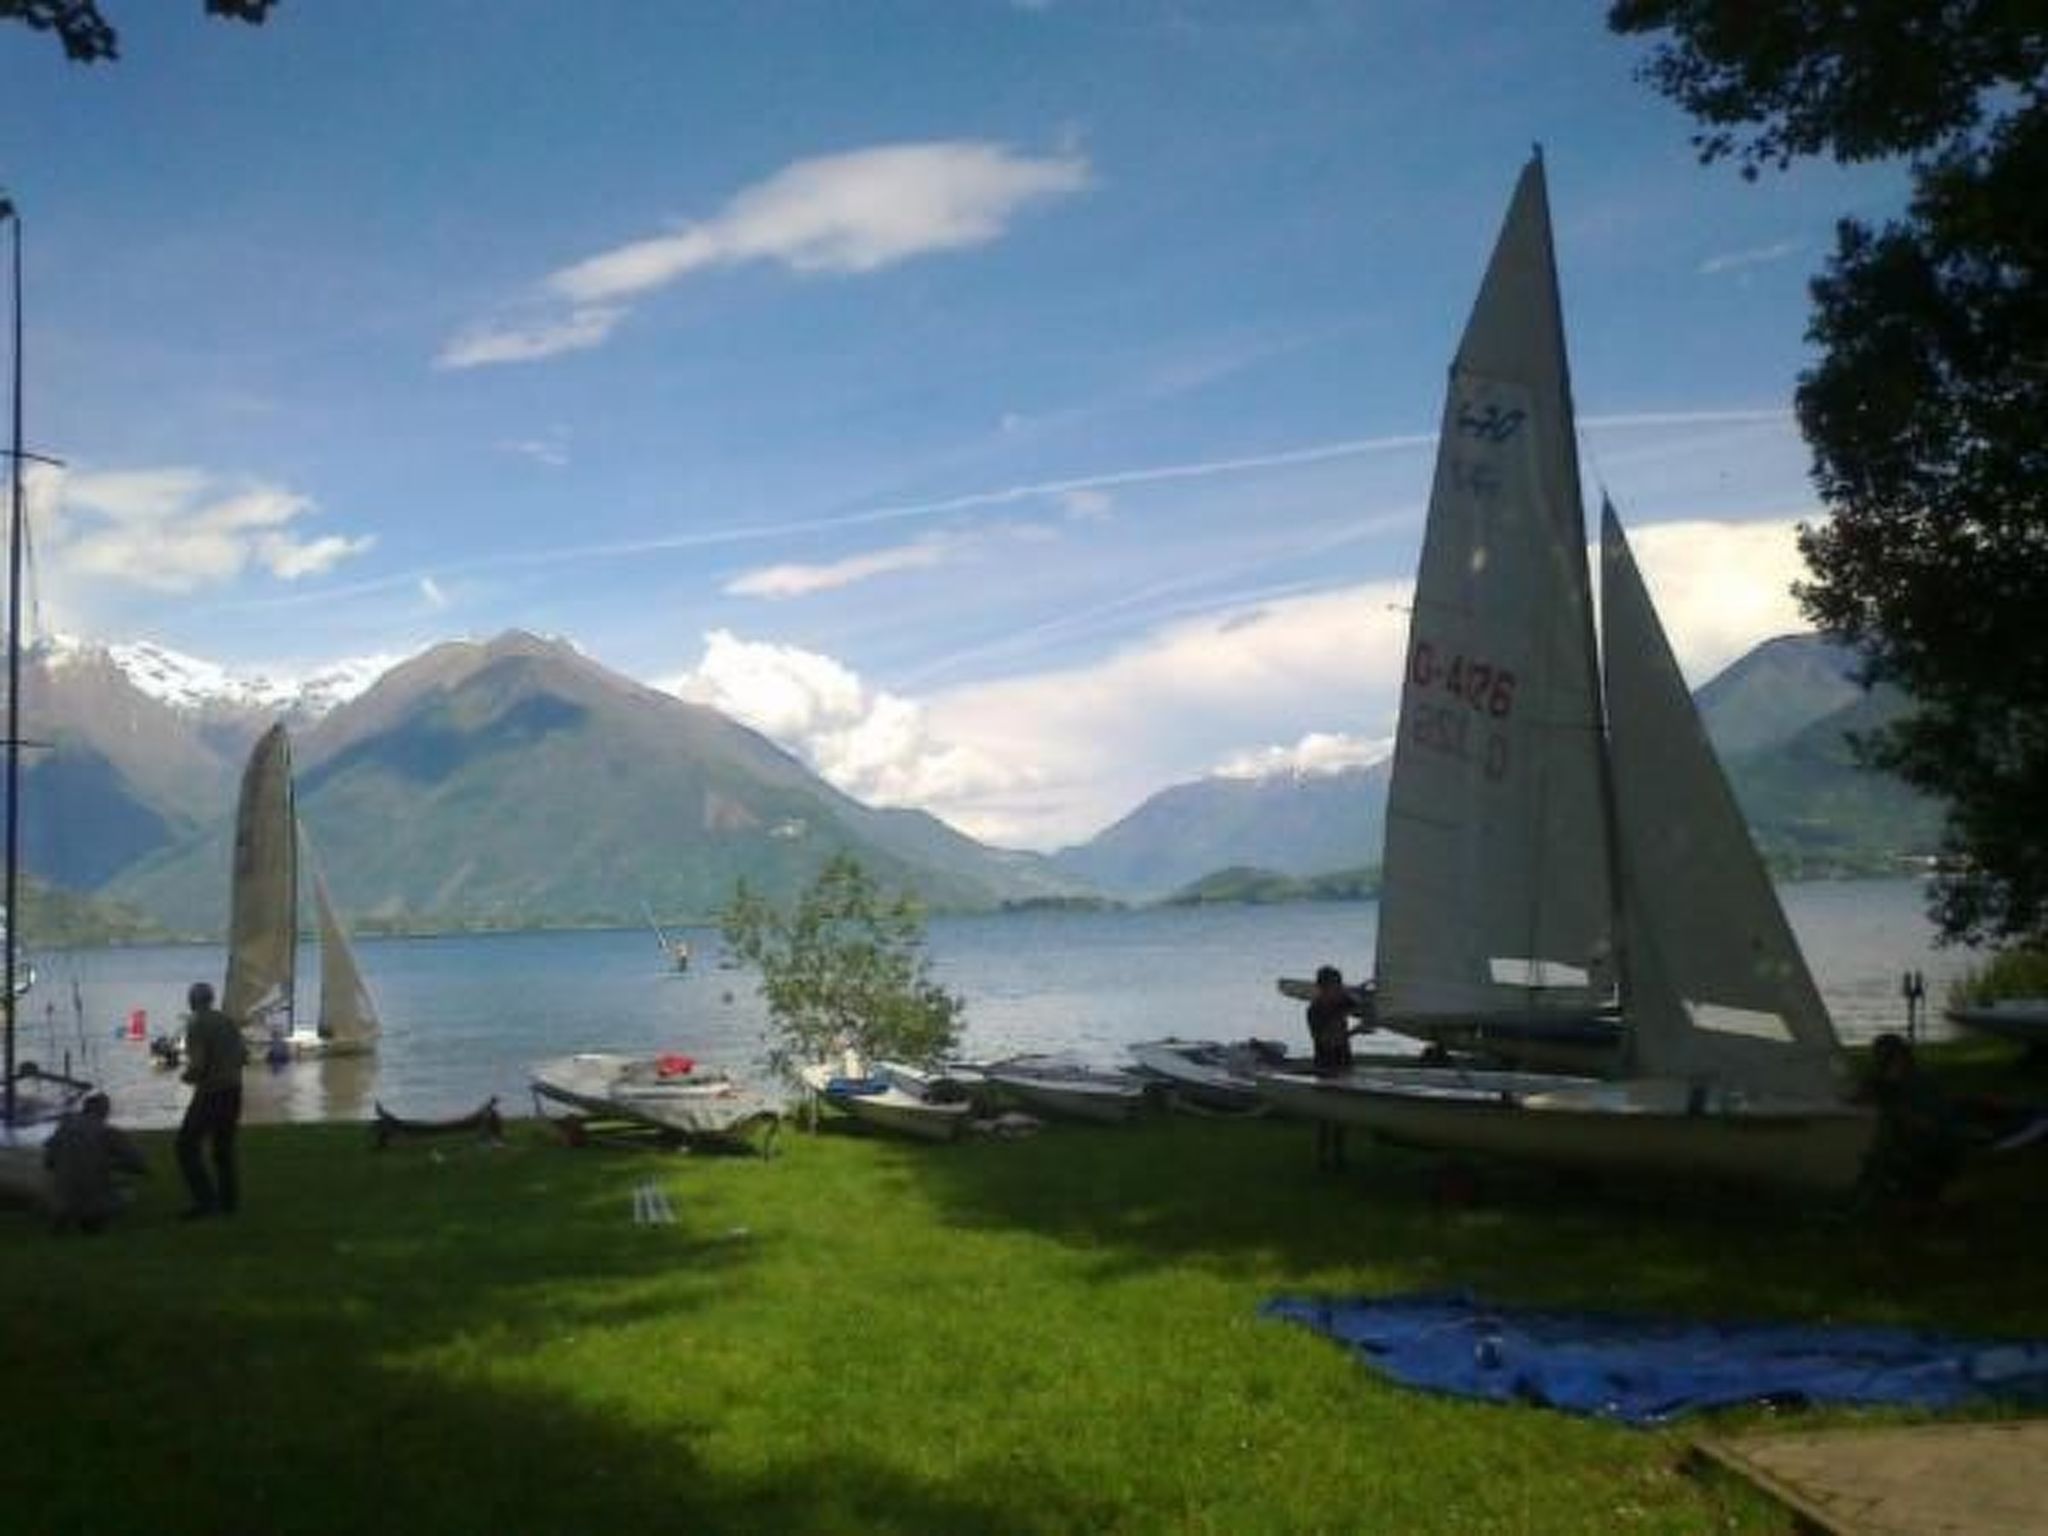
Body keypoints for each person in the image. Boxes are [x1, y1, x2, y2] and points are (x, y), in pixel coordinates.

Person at [175, 980, 247, 1220]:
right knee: (223, 1149)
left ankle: (206, 1202)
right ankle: (229, 1203)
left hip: (211, 1093)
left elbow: (198, 1065)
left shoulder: (196, 1025)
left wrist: (185, 1078)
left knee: (185, 1146)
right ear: (211, 999)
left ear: (192, 1001)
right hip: (234, 1090)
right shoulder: (227, 1021)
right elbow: (243, 1056)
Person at [43, 1092, 147, 1234]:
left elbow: (49, 1163)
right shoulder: (108, 1132)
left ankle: (65, 1217)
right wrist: (112, 1164)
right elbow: (137, 1163)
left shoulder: (63, 1128)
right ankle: (94, 1218)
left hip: (61, 1198)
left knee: (66, 1191)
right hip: (93, 1196)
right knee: (127, 1192)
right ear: (104, 1111)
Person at [1307, 964, 1356, 1171]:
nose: (1339, 989)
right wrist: (1354, 1032)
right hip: (1325, 1064)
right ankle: (1322, 1158)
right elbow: (1327, 1041)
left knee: (1342, 1111)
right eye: (1335, 986)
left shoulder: (1340, 1002)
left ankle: (1339, 1155)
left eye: (1340, 985)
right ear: (1324, 987)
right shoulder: (1315, 1010)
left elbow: (1357, 1004)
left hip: (1344, 1061)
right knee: (1326, 1113)